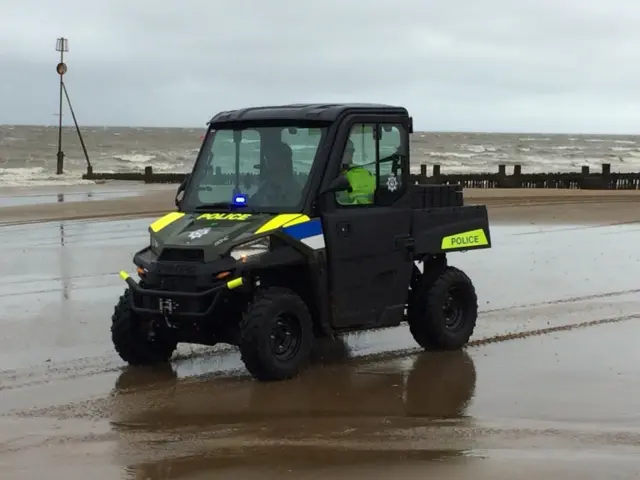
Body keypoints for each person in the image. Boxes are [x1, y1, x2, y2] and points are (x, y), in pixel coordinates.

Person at [337, 139, 376, 205]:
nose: (342, 154)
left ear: (352, 153)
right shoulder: (367, 173)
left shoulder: (364, 173)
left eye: (346, 151)